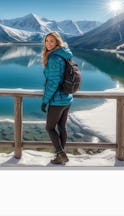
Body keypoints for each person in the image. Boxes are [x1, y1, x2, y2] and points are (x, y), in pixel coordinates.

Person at [41, 31, 73, 165]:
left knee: (49, 128)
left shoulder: (54, 58)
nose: (48, 43)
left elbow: (53, 83)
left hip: (57, 100)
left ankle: (60, 154)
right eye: (47, 41)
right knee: (62, 127)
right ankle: (61, 154)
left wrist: (45, 101)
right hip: (67, 98)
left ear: (57, 43)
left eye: (52, 41)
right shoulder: (64, 55)